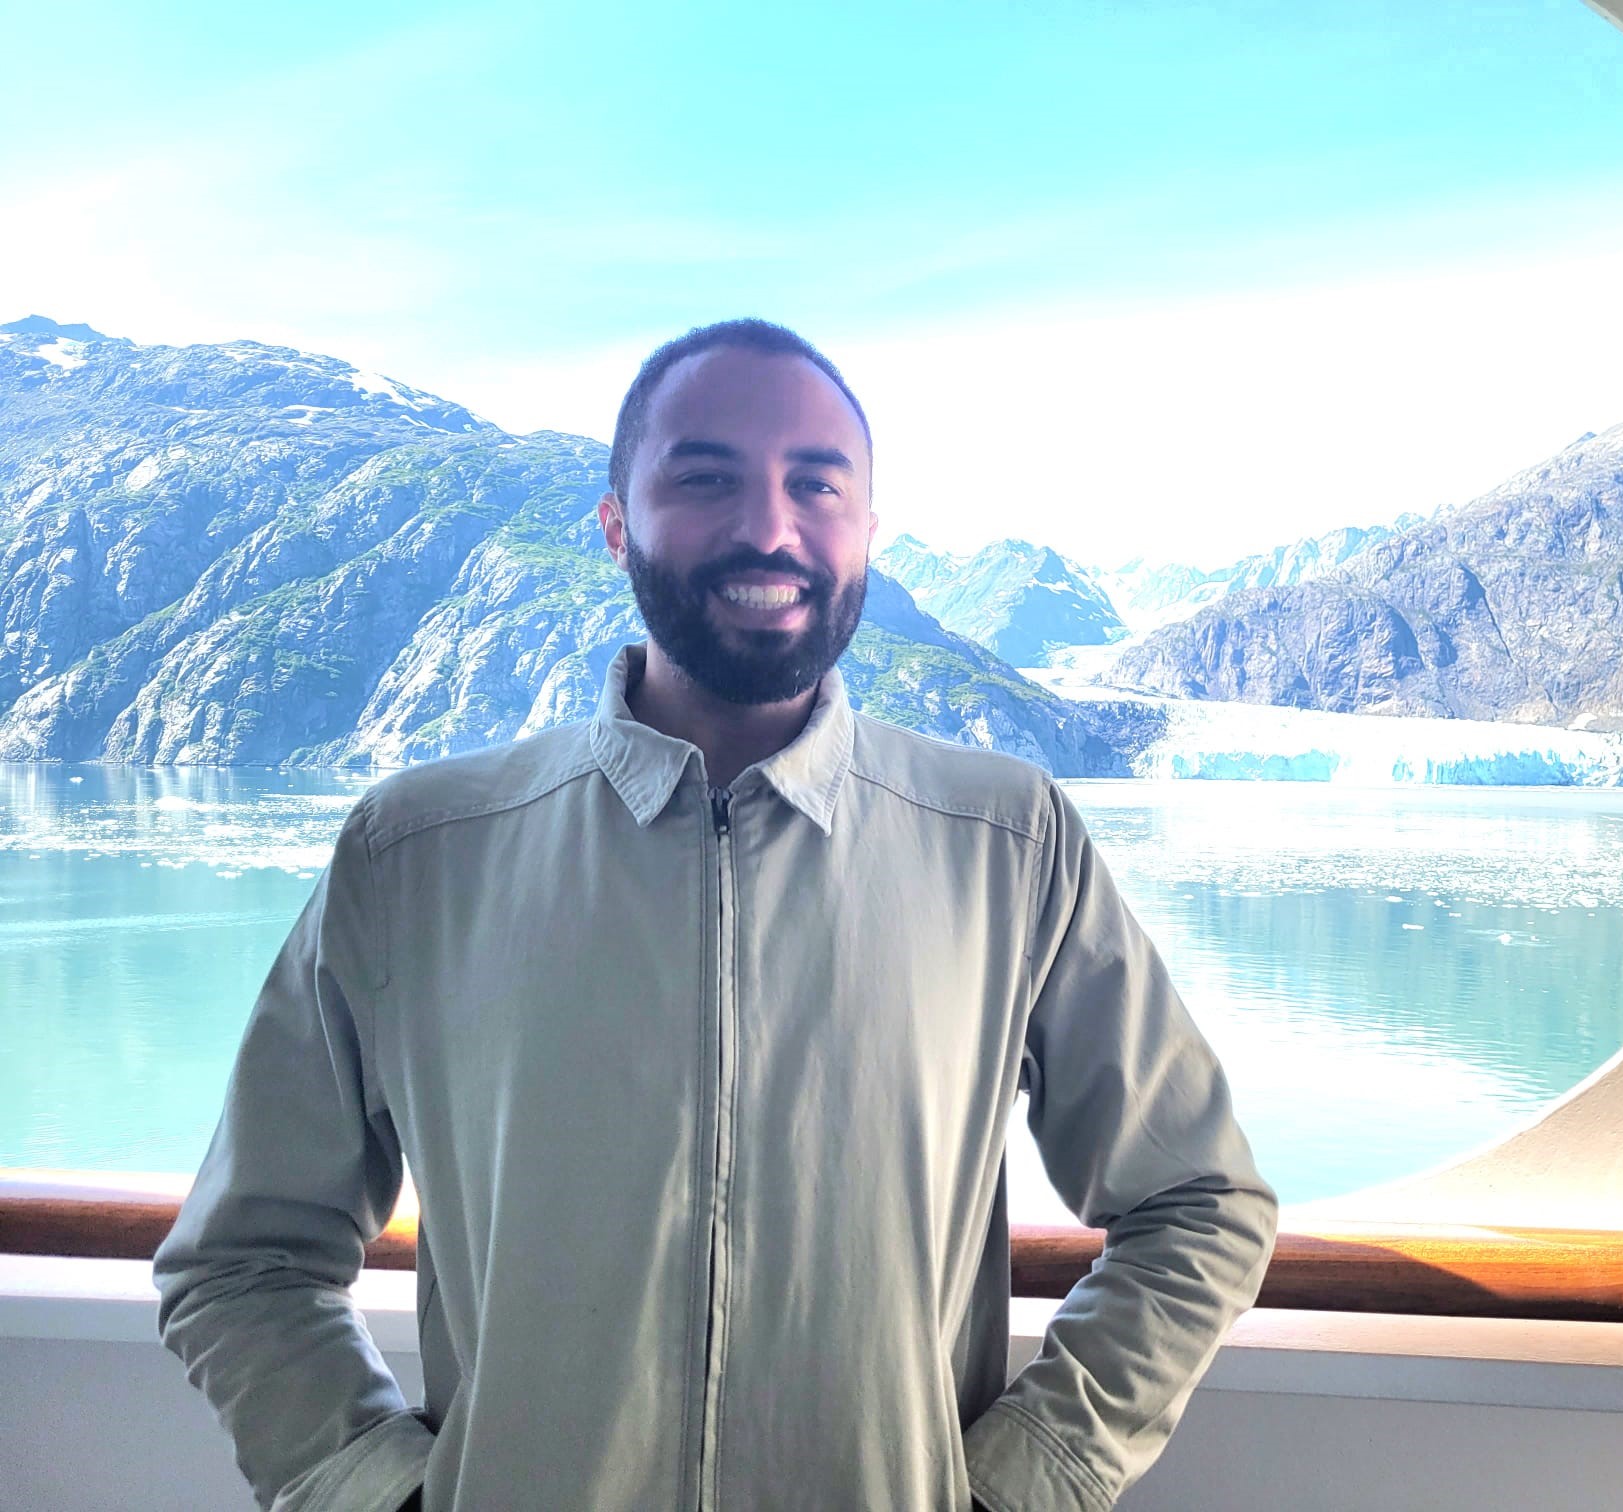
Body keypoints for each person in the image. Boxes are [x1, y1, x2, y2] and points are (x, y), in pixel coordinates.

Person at [153, 318, 1279, 1511]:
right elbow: (245, 1258)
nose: (769, 528)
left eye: (816, 483)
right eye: (706, 478)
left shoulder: (1007, 842)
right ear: (614, 521)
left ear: (869, 533)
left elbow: (1199, 1203)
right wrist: (373, 1487)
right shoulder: (418, 854)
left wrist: (1024, 1479)